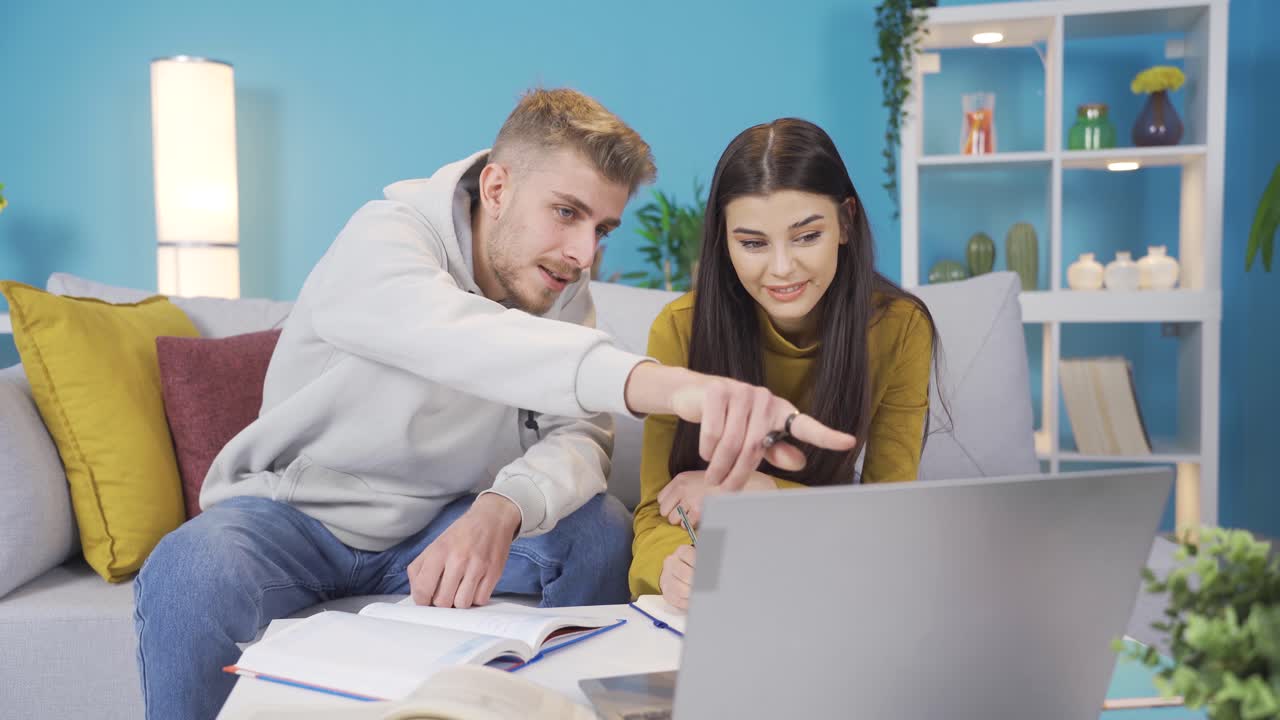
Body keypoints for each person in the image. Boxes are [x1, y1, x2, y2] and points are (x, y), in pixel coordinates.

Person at [132, 90, 856, 719]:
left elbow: (581, 435)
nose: (583, 253)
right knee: (193, 567)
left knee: (597, 530)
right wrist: (675, 387)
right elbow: (457, 336)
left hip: (440, 523)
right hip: (297, 516)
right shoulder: (384, 237)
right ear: (499, 186)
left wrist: (502, 506)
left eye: (601, 229)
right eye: (567, 213)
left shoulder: (562, 290)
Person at [629, 118, 943, 610]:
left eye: (806, 236)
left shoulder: (900, 330)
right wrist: (670, 568)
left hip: (836, 570)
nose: (780, 269)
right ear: (724, 241)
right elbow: (653, 515)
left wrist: (754, 490)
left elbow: (891, 519)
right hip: (721, 582)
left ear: (844, 222)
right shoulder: (679, 329)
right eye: (753, 243)